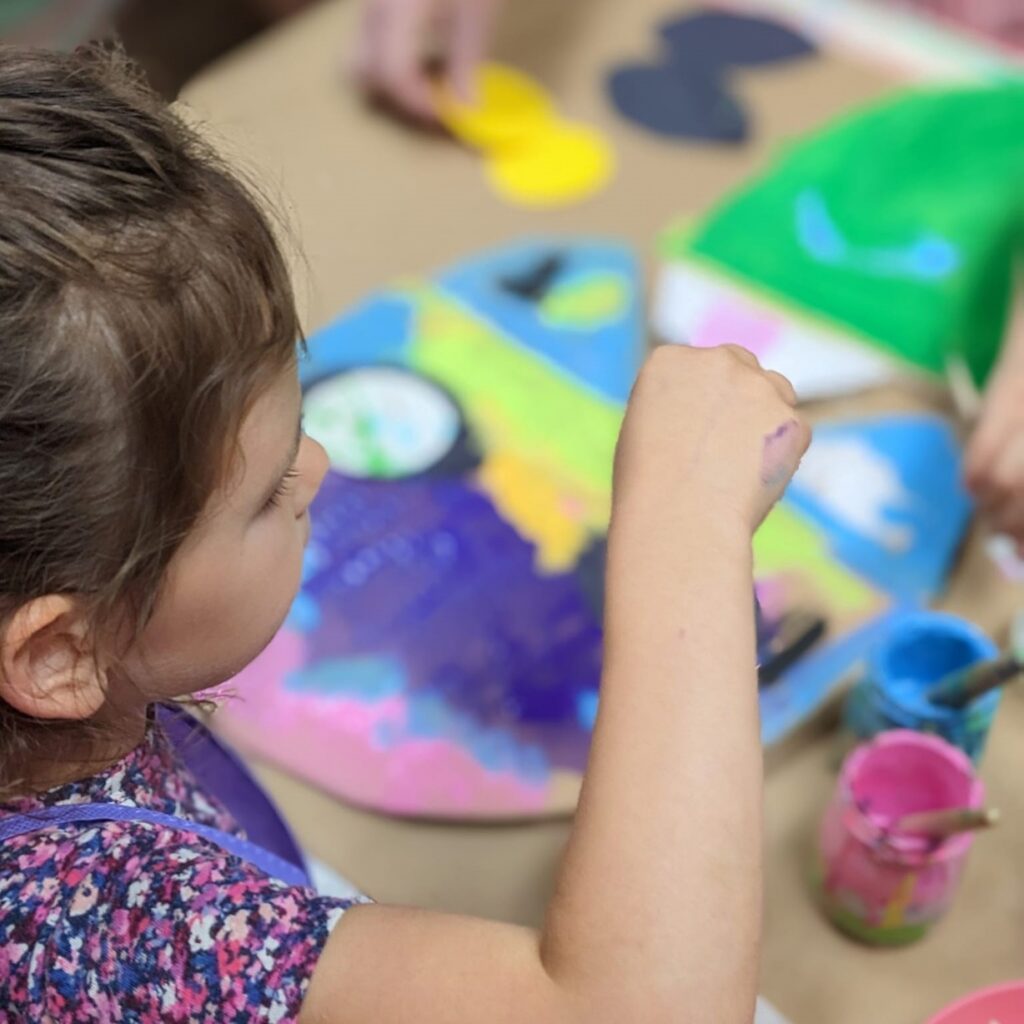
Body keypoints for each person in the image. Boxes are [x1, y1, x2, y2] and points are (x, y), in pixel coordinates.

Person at [0, 45, 809, 1022]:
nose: (319, 472)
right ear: (58, 653)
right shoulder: (100, 932)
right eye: (265, 491)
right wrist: (686, 530)